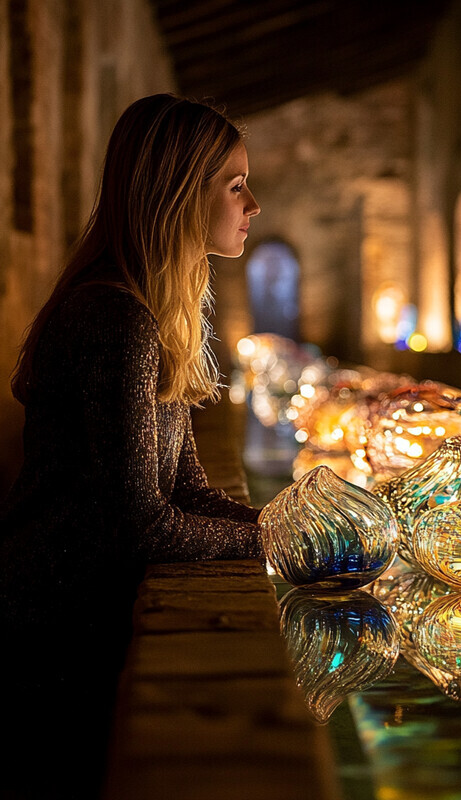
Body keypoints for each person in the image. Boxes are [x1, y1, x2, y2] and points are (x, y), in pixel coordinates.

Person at [0, 93, 263, 798]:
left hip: (84, 616)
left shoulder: (147, 310)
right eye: (235, 185)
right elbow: (138, 522)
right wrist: (275, 544)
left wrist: (285, 523)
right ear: (179, 194)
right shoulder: (117, 317)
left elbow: (186, 490)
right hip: (56, 635)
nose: (253, 204)